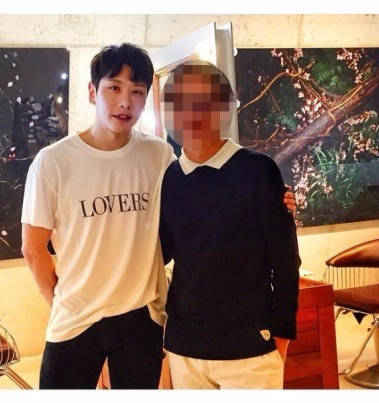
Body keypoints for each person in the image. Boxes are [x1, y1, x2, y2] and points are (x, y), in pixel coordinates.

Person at [21, 43, 297, 390]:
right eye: (114, 88)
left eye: (137, 91)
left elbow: (190, 212)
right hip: (76, 321)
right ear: (92, 92)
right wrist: (63, 305)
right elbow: (33, 249)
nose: (125, 102)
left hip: (142, 320)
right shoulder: (53, 161)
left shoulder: (159, 156)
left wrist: (277, 199)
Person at [158, 60, 301, 389]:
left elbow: (285, 260)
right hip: (185, 347)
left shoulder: (258, 171)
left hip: (250, 348)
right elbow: (162, 253)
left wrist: (282, 336)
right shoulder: (170, 178)